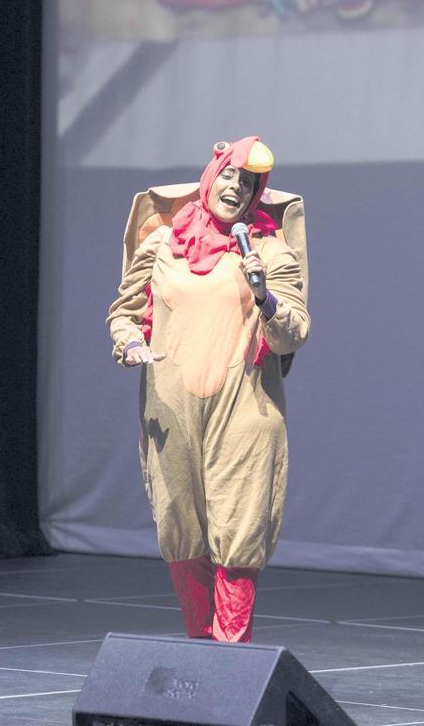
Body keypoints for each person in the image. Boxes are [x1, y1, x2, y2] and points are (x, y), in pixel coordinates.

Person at [106, 136, 310, 643]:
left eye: (248, 184)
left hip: (245, 407)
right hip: (170, 408)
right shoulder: (162, 243)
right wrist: (130, 343)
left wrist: (263, 296)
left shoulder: (269, 250)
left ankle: (229, 657)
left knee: (238, 527)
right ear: (210, 175)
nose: (236, 189)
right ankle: (201, 654)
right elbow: (125, 313)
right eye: (229, 177)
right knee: (179, 525)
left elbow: (293, 332)